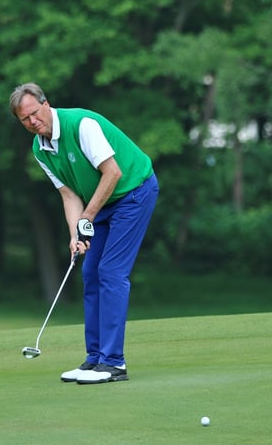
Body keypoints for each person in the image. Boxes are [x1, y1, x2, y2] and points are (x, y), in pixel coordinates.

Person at [9, 82, 159, 385]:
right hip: (99, 203)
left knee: (111, 272)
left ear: (46, 104)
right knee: (90, 272)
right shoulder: (41, 149)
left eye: (35, 114)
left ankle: (114, 363)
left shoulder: (82, 125)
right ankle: (94, 360)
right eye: (25, 120)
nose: (32, 122)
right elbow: (69, 196)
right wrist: (74, 235)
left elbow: (113, 173)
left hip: (133, 192)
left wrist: (87, 218)